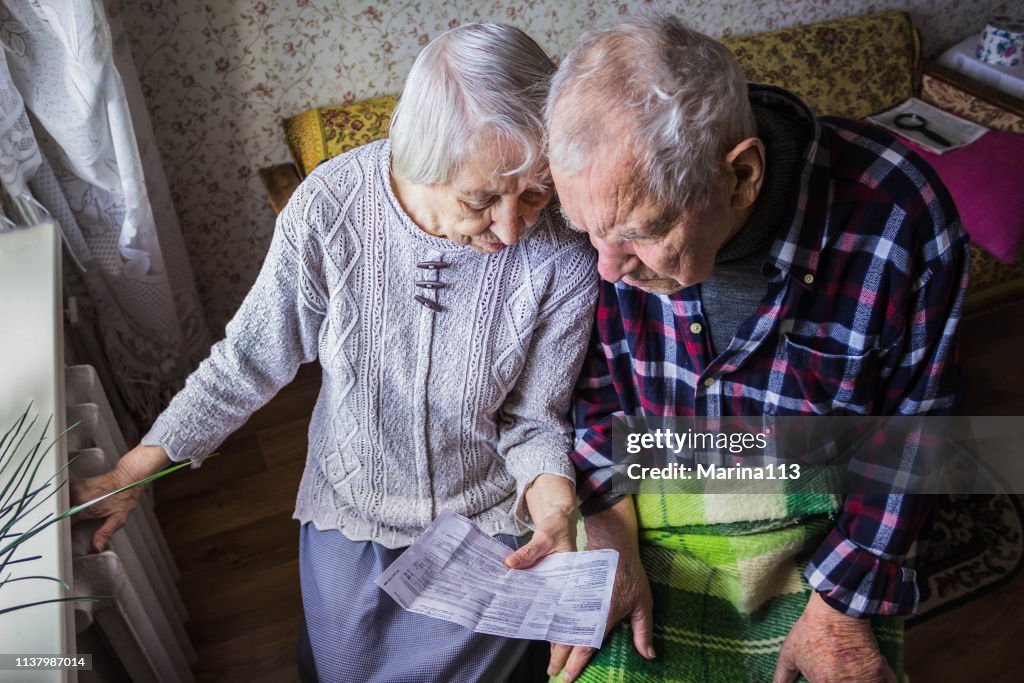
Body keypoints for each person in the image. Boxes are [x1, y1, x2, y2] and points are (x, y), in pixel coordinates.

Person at [70, 23, 597, 683]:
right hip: (354, 502)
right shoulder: (330, 209)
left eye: (536, 190)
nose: (514, 226)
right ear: (420, 162)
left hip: (484, 516)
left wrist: (555, 512)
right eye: (481, 199)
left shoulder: (563, 256)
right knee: (340, 670)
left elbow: (534, 418)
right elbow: (251, 359)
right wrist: (131, 472)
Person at [544, 14, 968, 683]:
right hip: (648, 502)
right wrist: (611, 536)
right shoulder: (608, 219)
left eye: (639, 233)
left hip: (829, 526)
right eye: (587, 232)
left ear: (741, 174)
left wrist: (840, 611)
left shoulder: (900, 214)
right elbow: (593, 391)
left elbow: (914, 428)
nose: (605, 268)